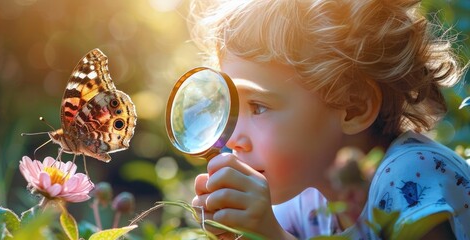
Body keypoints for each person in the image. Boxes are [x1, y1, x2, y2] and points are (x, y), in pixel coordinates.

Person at [188, 0, 469, 239]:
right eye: (232, 107)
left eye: (258, 107)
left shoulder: (410, 176)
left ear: (353, 108)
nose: (234, 138)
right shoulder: (307, 199)